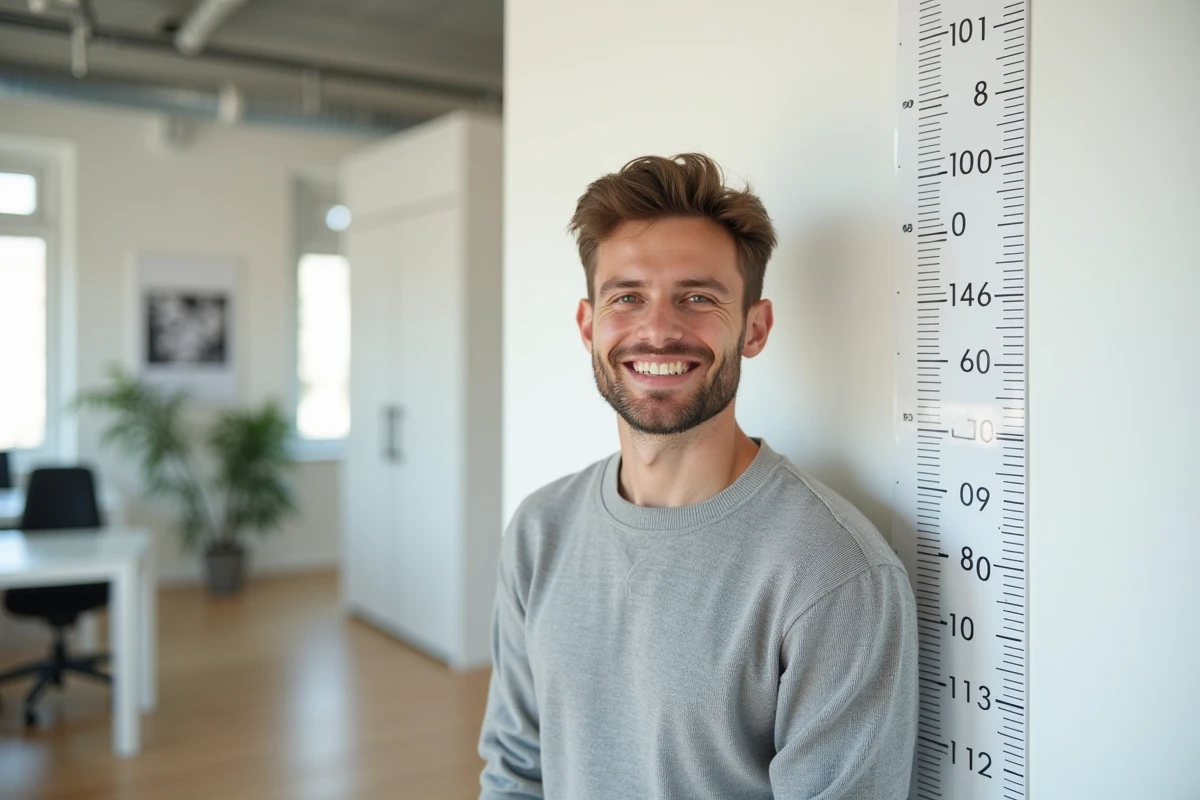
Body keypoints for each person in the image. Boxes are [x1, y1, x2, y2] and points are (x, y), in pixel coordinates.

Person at [477, 153, 918, 799]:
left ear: (755, 328)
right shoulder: (540, 529)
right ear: (588, 325)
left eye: (698, 298)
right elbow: (515, 771)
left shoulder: (834, 572)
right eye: (627, 297)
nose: (658, 329)